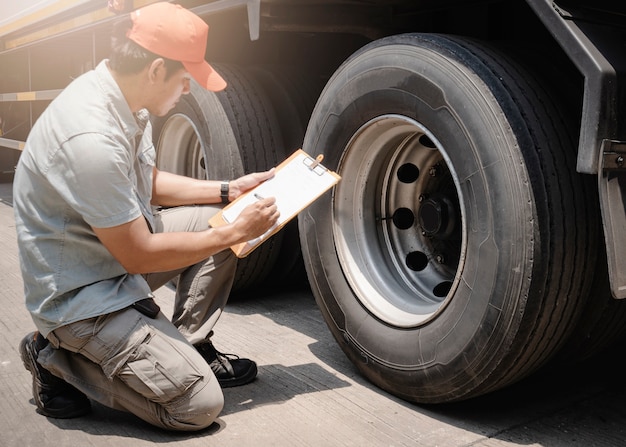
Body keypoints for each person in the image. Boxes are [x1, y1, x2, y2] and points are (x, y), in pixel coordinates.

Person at [13, 2, 279, 431]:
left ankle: (189, 348)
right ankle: (53, 356)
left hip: (105, 258)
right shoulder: (91, 137)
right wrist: (235, 230)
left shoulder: (124, 98)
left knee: (220, 220)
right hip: (80, 296)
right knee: (197, 406)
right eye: (185, 78)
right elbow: (138, 254)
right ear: (156, 70)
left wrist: (231, 190)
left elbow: (146, 179)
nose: (189, 89)